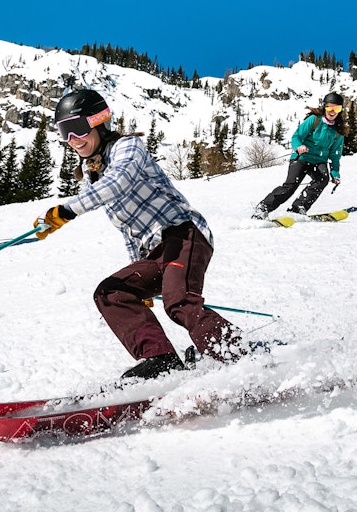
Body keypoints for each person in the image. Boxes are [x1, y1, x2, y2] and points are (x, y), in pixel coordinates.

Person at [33, 89, 245, 380]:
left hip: (183, 234)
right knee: (112, 292)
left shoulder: (128, 147)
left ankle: (241, 355)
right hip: (155, 252)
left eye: (77, 129)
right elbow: (128, 229)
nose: (72, 140)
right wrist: (138, 276)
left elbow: (119, 182)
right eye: (64, 133)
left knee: (179, 302)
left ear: (99, 122)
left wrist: (66, 211)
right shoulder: (92, 172)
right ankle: (160, 359)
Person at [252, 92, 349, 219]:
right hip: (301, 157)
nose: (332, 111)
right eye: (329, 107)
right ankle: (263, 207)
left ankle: (298, 207)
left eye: (337, 108)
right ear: (324, 107)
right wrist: (298, 146)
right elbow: (297, 136)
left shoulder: (338, 131)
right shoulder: (314, 120)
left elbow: (335, 155)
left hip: (319, 161)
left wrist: (335, 173)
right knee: (291, 185)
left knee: (322, 179)